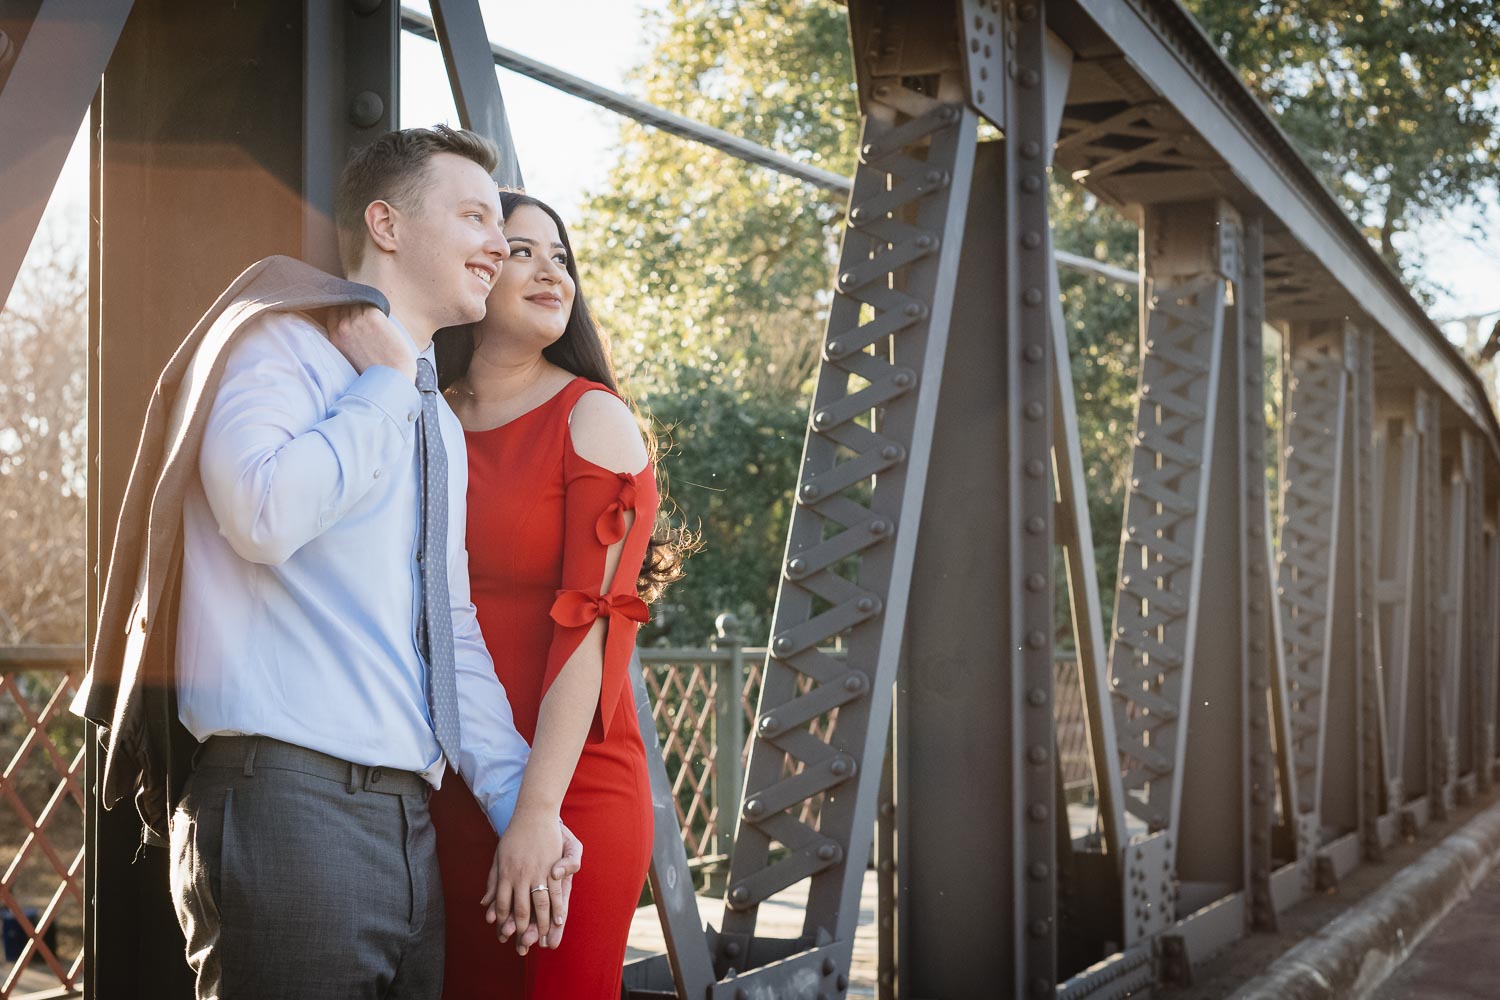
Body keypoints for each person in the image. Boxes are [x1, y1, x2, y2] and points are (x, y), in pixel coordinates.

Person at [164, 127, 579, 999]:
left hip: (404, 825)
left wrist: (521, 812)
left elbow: (448, 633)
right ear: (386, 225)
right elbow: (262, 513)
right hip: (287, 806)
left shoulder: (432, 420)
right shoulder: (278, 349)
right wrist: (384, 385)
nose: (498, 243)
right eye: (474, 215)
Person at [334, 190, 687, 997]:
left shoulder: (591, 418)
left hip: (575, 788)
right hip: (451, 781)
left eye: (560, 257)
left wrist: (536, 813)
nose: (548, 271)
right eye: (519, 250)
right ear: (477, 269)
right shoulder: (420, 411)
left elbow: (588, 634)